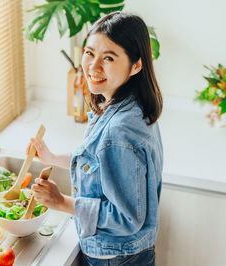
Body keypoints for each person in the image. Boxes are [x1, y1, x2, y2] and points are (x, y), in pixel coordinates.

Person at [29, 11, 163, 266]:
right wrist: (52, 158)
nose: (93, 66)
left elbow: (126, 218)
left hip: (115, 258)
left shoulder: (119, 132)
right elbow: (98, 164)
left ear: (136, 65)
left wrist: (61, 202)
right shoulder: (131, 104)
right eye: (90, 53)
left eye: (109, 58)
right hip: (130, 252)